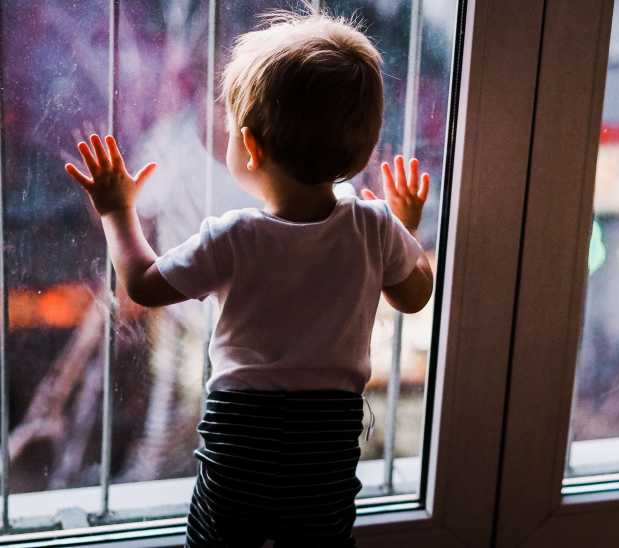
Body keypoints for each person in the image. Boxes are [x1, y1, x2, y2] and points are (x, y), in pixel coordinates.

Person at [64, 7, 433, 547]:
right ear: (361, 151)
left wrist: (116, 211)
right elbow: (414, 293)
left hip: (242, 441)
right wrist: (404, 228)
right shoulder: (372, 227)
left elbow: (142, 284)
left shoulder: (232, 237)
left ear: (252, 148)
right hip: (325, 445)